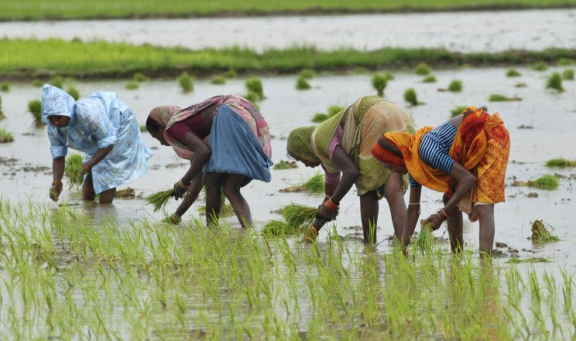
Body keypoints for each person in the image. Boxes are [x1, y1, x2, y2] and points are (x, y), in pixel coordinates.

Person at [371, 106, 510, 255]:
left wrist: (442, 215)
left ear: (396, 156)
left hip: (489, 135)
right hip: (469, 148)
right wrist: (402, 249)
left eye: (390, 165)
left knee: (483, 208)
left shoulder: (426, 150)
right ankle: (457, 255)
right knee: (449, 198)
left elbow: (467, 179)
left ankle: (485, 267)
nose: (392, 170)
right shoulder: (414, 165)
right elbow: (413, 208)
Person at [286, 96, 415, 243]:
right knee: (394, 189)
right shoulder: (328, 159)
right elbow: (331, 197)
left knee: (366, 187)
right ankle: (404, 248)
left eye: (300, 159)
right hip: (398, 114)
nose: (306, 164)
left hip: (374, 117)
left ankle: (369, 246)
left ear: (303, 149)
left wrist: (331, 203)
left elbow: (351, 172)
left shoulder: (319, 139)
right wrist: (314, 230)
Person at [146, 94, 272, 227]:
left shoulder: (175, 126)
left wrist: (183, 182)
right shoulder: (191, 128)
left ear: (161, 127)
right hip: (241, 115)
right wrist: (176, 216)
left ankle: (212, 231)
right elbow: (197, 181)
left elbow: (204, 152)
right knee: (230, 187)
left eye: (157, 137)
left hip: (230, 116)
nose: (160, 142)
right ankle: (248, 231)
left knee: (212, 180)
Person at [42, 84, 153, 204]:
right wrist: (57, 183)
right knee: (93, 170)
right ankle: (89, 210)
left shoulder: (89, 116)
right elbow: (58, 156)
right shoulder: (54, 128)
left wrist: (89, 164)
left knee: (108, 170)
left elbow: (108, 143)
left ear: (68, 111)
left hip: (119, 121)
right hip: (98, 136)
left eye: (58, 117)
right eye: (51, 118)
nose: (56, 122)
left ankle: (105, 212)